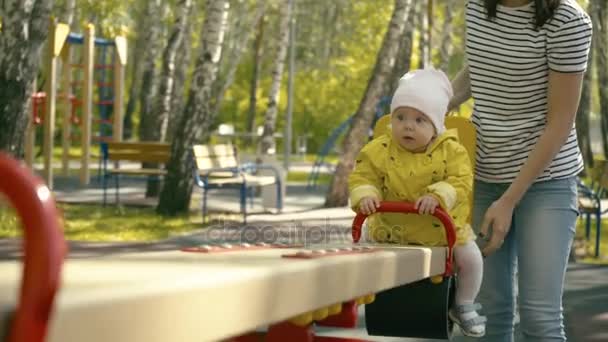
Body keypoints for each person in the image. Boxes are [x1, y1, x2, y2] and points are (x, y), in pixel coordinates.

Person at [448, 0, 593, 340]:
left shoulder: (568, 21)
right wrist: (435, 100)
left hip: (547, 181)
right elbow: (480, 68)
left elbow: (560, 122)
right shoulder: (477, 7)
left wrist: (510, 200)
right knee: (485, 315)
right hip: (484, 176)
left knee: (539, 318)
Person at [349, 68, 486, 337]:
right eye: (400, 117)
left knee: (471, 258)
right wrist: (366, 195)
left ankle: (464, 304)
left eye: (419, 120)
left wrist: (438, 195)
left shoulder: (451, 150)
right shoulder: (380, 148)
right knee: (358, 249)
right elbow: (363, 173)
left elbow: (461, 180)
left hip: (442, 232)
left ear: (436, 125)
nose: (407, 125)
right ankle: (355, 292)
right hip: (392, 229)